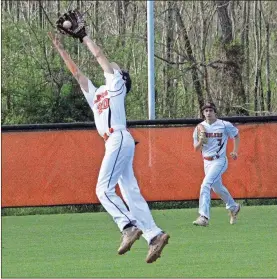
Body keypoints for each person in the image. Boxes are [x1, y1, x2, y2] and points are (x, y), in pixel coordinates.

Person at [47, 29, 169, 263]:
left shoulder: (116, 85)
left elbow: (100, 56)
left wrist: (84, 37)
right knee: (131, 193)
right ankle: (155, 235)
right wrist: (61, 49)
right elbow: (78, 75)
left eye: (117, 67)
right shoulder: (98, 93)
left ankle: (127, 226)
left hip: (118, 137)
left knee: (103, 190)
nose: (112, 65)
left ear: (122, 78)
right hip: (115, 141)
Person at [192, 102, 241, 226]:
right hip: (207, 161)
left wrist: (235, 151)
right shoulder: (199, 127)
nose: (208, 113)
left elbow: (236, 135)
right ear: (203, 113)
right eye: (206, 111)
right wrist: (201, 141)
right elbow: (196, 148)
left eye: (210, 110)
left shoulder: (224, 125)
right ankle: (233, 206)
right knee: (217, 187)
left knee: (205, 185)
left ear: (215, 112)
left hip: (219, 160)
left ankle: (204, 217)